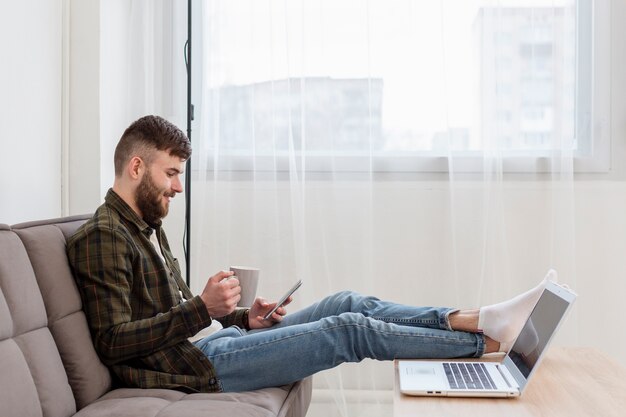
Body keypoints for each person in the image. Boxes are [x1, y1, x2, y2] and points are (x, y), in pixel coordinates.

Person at [67, 115, 556, 393]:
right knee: (347, 331)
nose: (177, 186)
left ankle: (473, 318)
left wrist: (240, 318)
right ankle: (490, 344)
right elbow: (112, 341)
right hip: (197, 368)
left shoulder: (142, 225)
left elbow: (160, 319)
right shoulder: (104, 236)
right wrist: (203, 309)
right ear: (136, 166)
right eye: (170, 173)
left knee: (348, 303)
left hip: (208, 345)